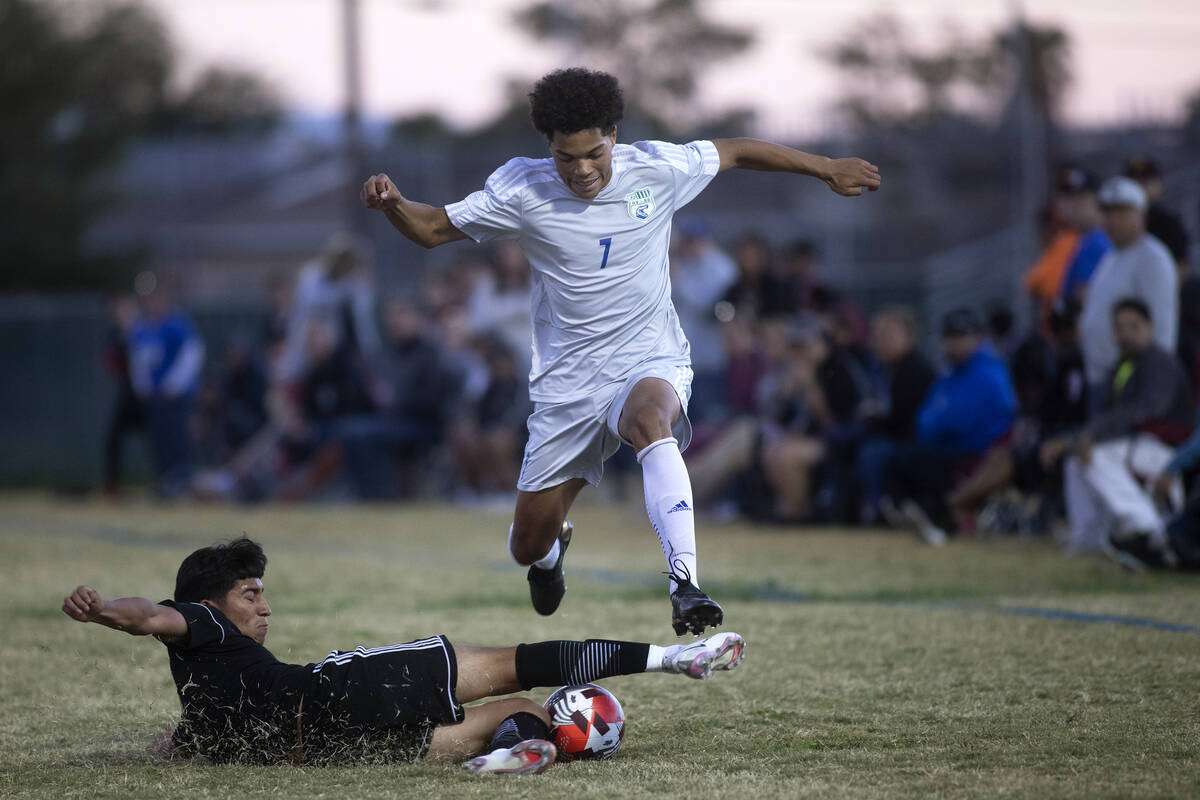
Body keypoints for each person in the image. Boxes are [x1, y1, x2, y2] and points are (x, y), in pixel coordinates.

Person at [361, 68, 881, 634]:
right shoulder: (522, 190)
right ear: (548, 148)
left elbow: (734, 151)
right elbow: (434, 228)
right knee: (525, 544)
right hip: (567, 385)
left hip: (646, 356)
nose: (582, 169)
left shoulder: (654, 170)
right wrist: (393, 203)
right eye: (566, 157)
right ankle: (553, 548)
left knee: (652, 420)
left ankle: (685, 584)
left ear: (614, 132)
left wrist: (825, 168)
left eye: (593, 152)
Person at [60, 537, 745, 772]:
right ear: (210, 601)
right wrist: (102, 612)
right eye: (251, 593)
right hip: (333, 693)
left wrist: (172, 743)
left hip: (329, 754)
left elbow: (205, 732)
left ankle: (513, 751)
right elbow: (147, 615)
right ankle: (670, 658)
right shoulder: (202, 619)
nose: (264, 607)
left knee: (514, 712)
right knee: (519, 665)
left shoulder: (209, 702)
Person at [1043, 298, 1194, 566]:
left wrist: (1091, 437)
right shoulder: (1123, 365)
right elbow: (1106, 416)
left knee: (1097, 457)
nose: (1125, 334)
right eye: (1120, 328)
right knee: (1076, 462)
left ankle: (1147, 530)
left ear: (1149, 327)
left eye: (1133, 327)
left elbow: (1146, 410)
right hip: (1132, 445)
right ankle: (1088, 539)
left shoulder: (1160, 363)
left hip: (1165, 450)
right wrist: (1075, 440)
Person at [881, 309, 1017, 545]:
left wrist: (940, 424)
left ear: (976, 337)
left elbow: (960, 420)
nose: (954, 343)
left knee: (922, 460)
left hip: (977, 452)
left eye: (960, 336)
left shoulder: (989, 373)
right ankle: (920, 515)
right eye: (949, 336)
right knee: (899, 456)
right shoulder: (950, 374)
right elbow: (925, 418)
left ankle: (942, 518)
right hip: (946, 447)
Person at [1078, 177, 1177, 406]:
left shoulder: (1152, 258)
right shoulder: (1111, 256)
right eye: (1108, 213)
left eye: (1121, 212)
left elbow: (1161, 328)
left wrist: (1151, 385)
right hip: (1105, 379)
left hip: (1131, 384)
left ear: (1141, 214)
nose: (1112, 220)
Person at [128, 278, 205, 498]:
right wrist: (141, 385)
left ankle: (181, 483)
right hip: (153, 396)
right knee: (157, 440)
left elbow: (192, 355)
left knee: (177, 439)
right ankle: (163, 481)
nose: (152, 302)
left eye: (155, 296)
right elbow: (138, 360)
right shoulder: (141, 328)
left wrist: (174, 384)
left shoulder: (177, 324)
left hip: (176, 396)